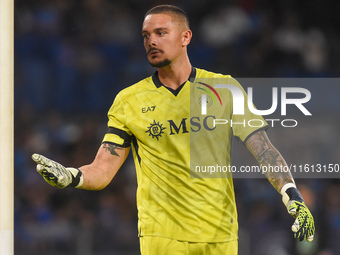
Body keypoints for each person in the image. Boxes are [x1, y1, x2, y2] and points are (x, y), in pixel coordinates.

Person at [32, 4, 315, 255]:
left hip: (219, 233)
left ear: (185, 37)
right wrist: (72, 176)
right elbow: (103, 169)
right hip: (162, 236)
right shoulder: (129, 100)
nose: (151, 41)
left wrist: (292, 194)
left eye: (160, 33)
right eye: (146, 35)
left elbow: (262, 148)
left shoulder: (225, 88)